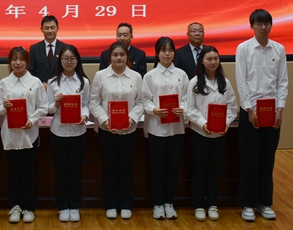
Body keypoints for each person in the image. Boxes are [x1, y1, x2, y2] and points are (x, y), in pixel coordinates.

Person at [235, 9, 288, 222]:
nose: (263, 27)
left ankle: (264, 202)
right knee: (249, 159)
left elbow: (282, 81)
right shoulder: (244, 48)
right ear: (252, 26)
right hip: (250, 112)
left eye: (267, 23)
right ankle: (248, 204)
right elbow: (241, 81)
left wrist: (280, 108)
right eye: (259, 23)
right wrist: (249, 109)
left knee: (268, 159)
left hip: (272, 113)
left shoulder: (279, 49)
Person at [89, 41, 145, 220]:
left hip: (129, 130)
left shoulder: (136, 76)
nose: (119, 58)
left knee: (126, 167)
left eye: (122, 55)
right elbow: (93, 102)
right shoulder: (100, 76)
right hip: (107, 130)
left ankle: (126, 203)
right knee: (110, 167)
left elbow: (141, 102)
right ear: (109, 57)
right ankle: (111, 204)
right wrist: (104, 119)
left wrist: (132, 118)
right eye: (115, 55)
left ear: (127, 57)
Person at [0, 46, 48, 224]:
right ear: (9, 62)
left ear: (27, 62)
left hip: (29, 134)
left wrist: (32, 120)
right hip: (10, 135)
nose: (18, 63)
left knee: (29, 172)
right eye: (14, 59)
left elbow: (43, 107)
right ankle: (15, 207)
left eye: (21, 59)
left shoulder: (35, 82)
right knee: (12, 172)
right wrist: (4, 106)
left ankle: (28, 208)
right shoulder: (4, 83)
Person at [185, 45, 238, 222]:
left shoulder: (225, 82)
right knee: (199, 170)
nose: (213, 62)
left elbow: (232, 107)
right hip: (200, 134)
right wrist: (203, 124)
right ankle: (199, 205)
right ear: (202, 61)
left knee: (216, 170)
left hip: (219, 135)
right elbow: (190, 109)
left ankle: (213, 204)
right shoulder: (194, 83)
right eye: (209, 59)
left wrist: (225, 123)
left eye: (216, 58)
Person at [142, 37, 189, 220]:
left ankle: (169, 202)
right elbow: (145, 100)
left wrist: (182, 108)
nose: (167, 54)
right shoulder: (150, 76)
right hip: (156, 129)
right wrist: (154, 110)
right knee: (157, 168)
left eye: (170, 50)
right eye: (163, 50)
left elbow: (187, 98)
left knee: (172, 168)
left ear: (174, 53)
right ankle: (157, 203)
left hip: (176, 129)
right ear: (157, 53)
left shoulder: (181, 75)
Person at [46, 45, 90, 223]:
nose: (69, 62)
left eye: (72, 58)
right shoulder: (53, 82)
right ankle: (63, 206)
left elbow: (86, 104)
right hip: (58, 132)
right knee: (61, 170)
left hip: (78, 132)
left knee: (75, 170)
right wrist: (56, 103)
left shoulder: (84, 82)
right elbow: (48, 109)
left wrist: (85, 115)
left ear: (77, 61)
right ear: (60, 61)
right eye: (65, 58)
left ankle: (75, 205)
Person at [28, 15, 67, 86]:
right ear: (41, 29)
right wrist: (39, 84)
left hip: (61, 87)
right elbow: (30, 71)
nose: (49, 31)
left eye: (52, 28)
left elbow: (68, 69)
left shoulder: (65, 48)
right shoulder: (34, 49)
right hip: (40, 87)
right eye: (46, 28)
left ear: (57, 28)